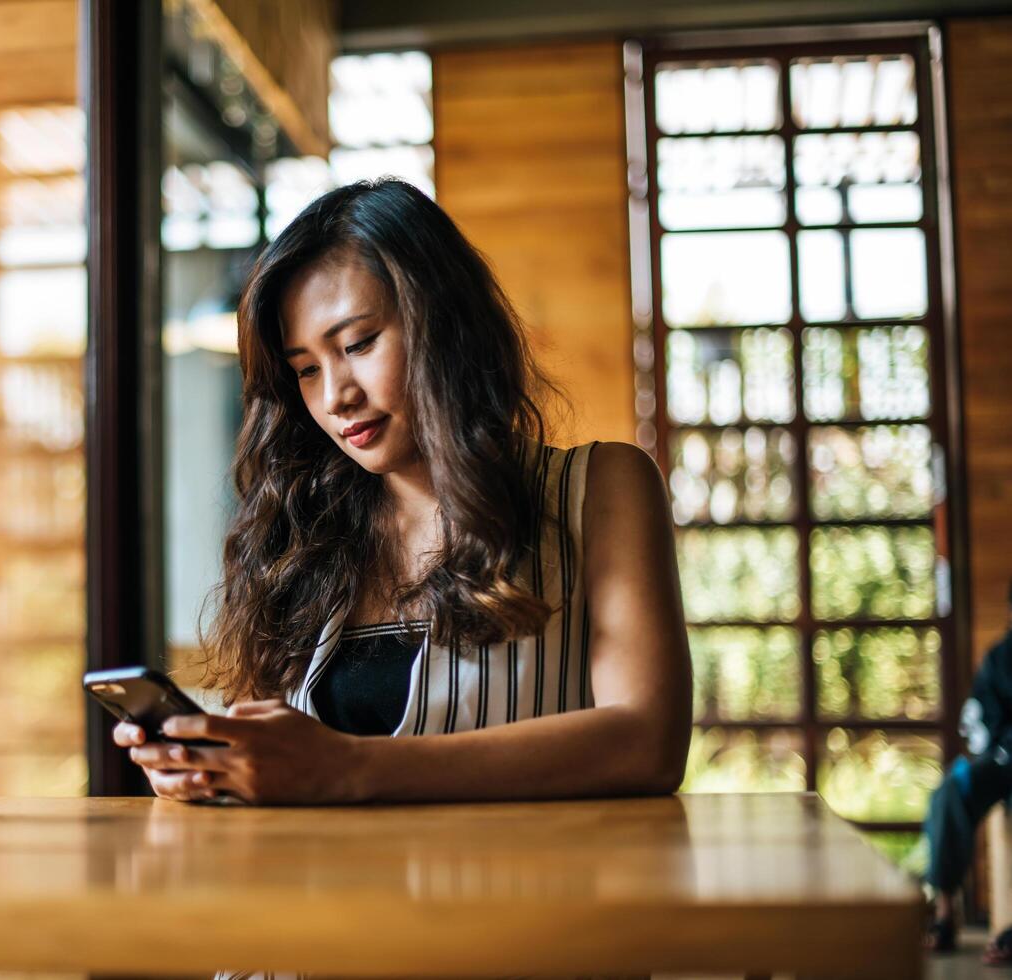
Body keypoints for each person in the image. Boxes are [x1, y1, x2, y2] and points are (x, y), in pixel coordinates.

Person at [113, 179, 692, 806]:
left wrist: (352, 767)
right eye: (306, 368)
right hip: (331, 902)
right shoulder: (303, 537)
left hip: (532, 898)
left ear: (446, 326)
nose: (336, 395)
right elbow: (279, 774)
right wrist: (212, 768)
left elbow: (647, 741)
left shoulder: (600, 488)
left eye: (358, 344)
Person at [924, 581, 1012, 960]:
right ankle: (945, 913)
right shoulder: (1000, 658)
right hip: (1001, 759)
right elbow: (978, 719)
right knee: (949, 794)